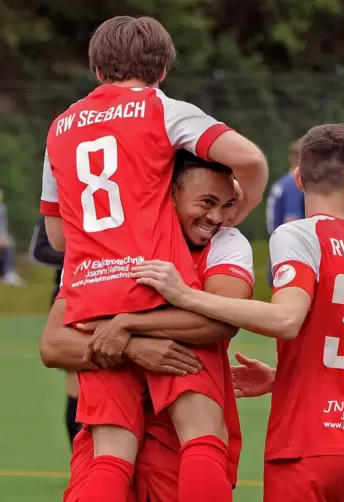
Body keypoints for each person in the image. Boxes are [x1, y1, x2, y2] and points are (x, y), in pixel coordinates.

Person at [38, 15, 267, 502]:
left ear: (96, 68)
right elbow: (249, 158)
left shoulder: (59, 127)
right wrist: (237, 210)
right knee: (202, 434)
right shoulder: (162, 110)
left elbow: (58, 237)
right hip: (155, 286)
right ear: (162, 70)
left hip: (90, 301)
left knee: (109, 454)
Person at [131, 123, 344, 502]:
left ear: (297, 178)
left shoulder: (299, 234)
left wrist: (186, 295)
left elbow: (286, 319)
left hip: (312, 443)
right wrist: (285, 377)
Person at [40, 150, 254, 502]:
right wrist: (135, 346)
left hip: (149, 430)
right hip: (180, 392)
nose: (218, 217)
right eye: (206, 202)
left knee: (112, 460)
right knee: (196, 439)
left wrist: (124, 326)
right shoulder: (98, 247)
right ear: (168, 193)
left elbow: (224, 319)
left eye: (228, 204)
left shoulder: (224, 242)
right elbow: (52, 345)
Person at [29, 216, 80, 446]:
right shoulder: (58, 205)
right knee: (76, 383)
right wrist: (83, 256)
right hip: (69, 299)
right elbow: (39, 251)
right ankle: (79, 464)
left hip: (112, 297)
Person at [265, 139, 305, 285]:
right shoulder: (296, 184)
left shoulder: (282, 182)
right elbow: (291, 222)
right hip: (288, 258)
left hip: (276, 252)